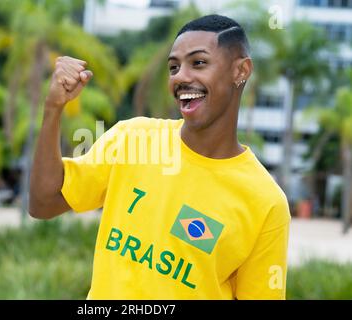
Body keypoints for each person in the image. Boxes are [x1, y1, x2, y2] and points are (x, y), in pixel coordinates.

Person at [29, 14, 291, 300]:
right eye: (173, 67)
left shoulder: (266, 202)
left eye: (198, 63)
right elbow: (43, 203)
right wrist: (53, 108)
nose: (181, 77)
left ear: (241, 70)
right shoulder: (132, 139)